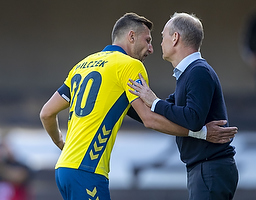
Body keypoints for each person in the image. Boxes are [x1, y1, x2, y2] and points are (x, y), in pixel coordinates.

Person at [40, 12, 237, 200]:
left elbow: (46, 113)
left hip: (64, 168)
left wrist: (60, 144)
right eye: (148, 40)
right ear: (131, 36)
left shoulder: (82, 65)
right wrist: (202, 133)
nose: (151, 48)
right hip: (88, 169)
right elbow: (149, 118)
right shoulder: (129, 65)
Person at [128, 12, 238, 199]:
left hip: (210, 168)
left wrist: (154, 101)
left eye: (163, 37)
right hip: (205, 169)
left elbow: (193, 119)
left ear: (175, 38)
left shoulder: (198, 72)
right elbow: (157, 113)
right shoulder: (189, 73)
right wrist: (125, 102)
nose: (160, 44)